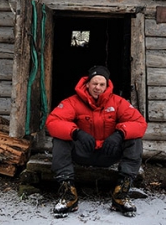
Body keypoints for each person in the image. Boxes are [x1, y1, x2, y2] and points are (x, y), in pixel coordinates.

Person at [45, 65, 147, 218]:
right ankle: (68, 194)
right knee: (61, 139)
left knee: (135, 140)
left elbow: (139, 123)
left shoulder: (118, 102)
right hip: (83, 152)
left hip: (109, 153)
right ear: (87, 84)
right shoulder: (72, 102)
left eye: (101, 84)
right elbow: (53, 121)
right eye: (94, 83)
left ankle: (121, 193)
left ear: (107, 85)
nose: (97, 87)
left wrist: (119, 134)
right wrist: (76, 132)